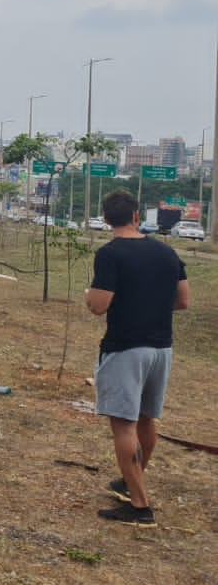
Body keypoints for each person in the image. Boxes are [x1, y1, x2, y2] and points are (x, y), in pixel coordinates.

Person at [86, 189, 190, 527]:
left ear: (106, 219)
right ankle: (132, 481)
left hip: (126, 349)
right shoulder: (167, 253)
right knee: (146, 420)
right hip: (162, 348)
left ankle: (140, 506)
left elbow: (99, 305)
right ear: (135, 217)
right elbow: (183, 301)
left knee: (123, 424)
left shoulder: (110, 254)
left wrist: (90, 296)